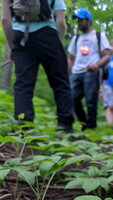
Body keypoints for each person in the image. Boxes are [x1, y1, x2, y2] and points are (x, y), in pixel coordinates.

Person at [1, 0, 74, 132]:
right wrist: (58, 45)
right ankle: (65, 126)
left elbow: (5, 19)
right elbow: (61, 22)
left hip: (20, 36)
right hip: (48, 34)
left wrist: (12, 47)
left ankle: (24, 126)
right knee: (60, 82)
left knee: (23, 84)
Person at [67, 8, 110, 130]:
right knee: (72, 99)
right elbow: (71, 58)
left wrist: (96, 66)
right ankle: (84, 123)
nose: (79, 22)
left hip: (91, 72)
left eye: (81, 20)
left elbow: (107, 55)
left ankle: (91, 128)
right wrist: (66, 73)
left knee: (91, 101)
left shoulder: (98, 36)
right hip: (76, 73)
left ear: (89, 21)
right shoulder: (75, 38)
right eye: (78, 20)